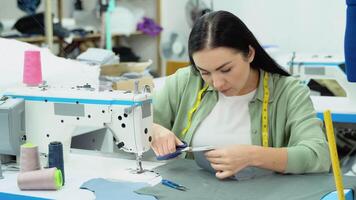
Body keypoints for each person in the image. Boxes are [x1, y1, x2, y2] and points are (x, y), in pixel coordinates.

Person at [151, 10, 331, 179]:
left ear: (250, 53)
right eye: (205, 72)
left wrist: (253, 156)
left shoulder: (288, 92)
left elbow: (318, 155)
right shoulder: (186, 81)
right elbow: (137, 123)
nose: (217, 83)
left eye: (226, 69)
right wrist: (154, 130)